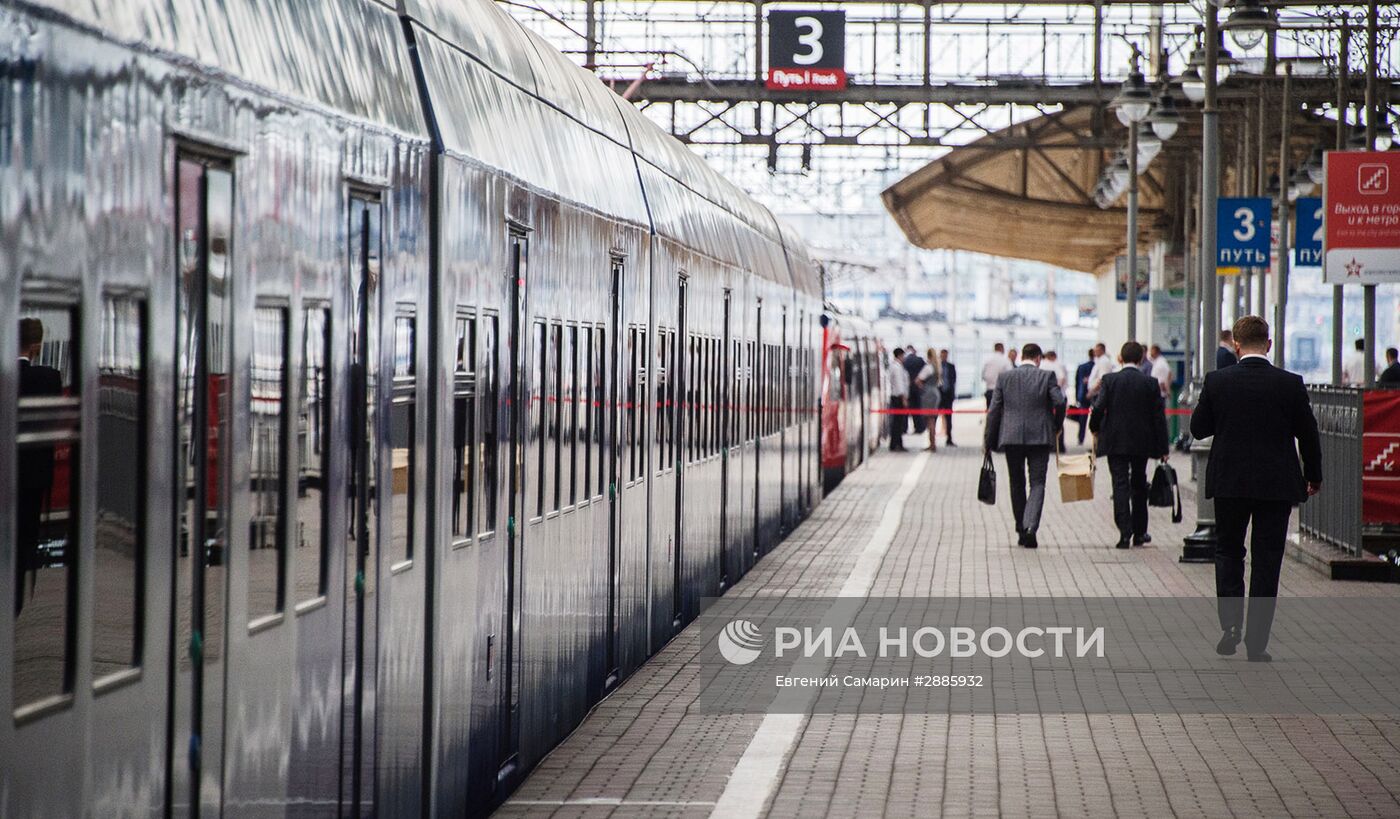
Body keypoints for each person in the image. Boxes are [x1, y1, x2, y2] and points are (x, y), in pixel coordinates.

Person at [1190, 315, 1322, 662]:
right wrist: (1314, 475)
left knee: (1229, 551)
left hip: (1229, 482)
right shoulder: (1290, 383)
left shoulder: (1218, 381)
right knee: (1267, 560)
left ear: (1236, 344)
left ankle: (1230, 625)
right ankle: (1257, 642)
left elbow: (1199, 429)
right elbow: (1307, 434)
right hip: (1276, 484)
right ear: (1269, 343)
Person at [984, 343, 1066, 549]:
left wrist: (988, 440)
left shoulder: (1006, 377)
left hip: (1011, 437)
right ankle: (1031, 528)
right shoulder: (1047, 376)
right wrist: (1056, 426)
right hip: (1040, 436)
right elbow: (1060, 402)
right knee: (1037, 483)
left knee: (1016, 483)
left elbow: (994, 410)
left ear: (1022, 357)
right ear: (1038, 358)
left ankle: (1021, 528)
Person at [1089, 342, 1170, 549]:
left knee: (1120, 484)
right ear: (1142, 359)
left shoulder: (1110, 380)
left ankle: (1124, 532)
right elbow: (1158, 417)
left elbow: (1098, 408)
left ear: (1120, 358)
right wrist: (1163, 448)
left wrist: (1094, 428)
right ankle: (1140, 532)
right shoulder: (1150, 383)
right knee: (1139, 484)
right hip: (1142, 443)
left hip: (1115, 441)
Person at [17, 318, 62, 615]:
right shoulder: (49, 378)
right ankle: (15, 603)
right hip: (33, 476)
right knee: (25, 538)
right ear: (36, 347)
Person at [1040, 351, 1069, 452]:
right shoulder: (1056, 364)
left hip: (1044, 398)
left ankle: (1048, 444)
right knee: (1058, 421)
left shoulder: (1042, 365)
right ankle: (1059, 445)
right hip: (1058, 396)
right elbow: (1062, 378)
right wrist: (1056, 390)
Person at [915, 348, 943, 452]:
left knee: (929, 420)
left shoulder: (928, 367)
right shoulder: (937, 367)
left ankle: (932, 444)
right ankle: (933, 443)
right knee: (933, 419)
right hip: (935, 392)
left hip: (928, 394)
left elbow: (918, 380)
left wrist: (923, 387)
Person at [888, 348, 910, 451]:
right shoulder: (896, 368)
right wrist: (903, 398)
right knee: (898, 423)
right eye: (903, 355)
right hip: (898, 398)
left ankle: (896, 443)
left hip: (897, 397)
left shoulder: (896, 366)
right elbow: (899, 383)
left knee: (898, 422)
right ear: (900, 355)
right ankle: (896, 444)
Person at [903, 345, 927, 434]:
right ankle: (919, 428)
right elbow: (925, 373)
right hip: (918, 388)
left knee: (905, 410)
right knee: (918, 409)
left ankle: (904, 428)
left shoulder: (905, 361)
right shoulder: (920, 360)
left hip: (908, 388)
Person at [980, 342, 1012, 407]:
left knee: (990, 413)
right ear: (1002, 349)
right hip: (1001, 392)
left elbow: (983, 376)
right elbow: (1011, 376)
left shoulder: (987, 361)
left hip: (989, 391)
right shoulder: (1006, 361)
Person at [1074, 348, 1095, 445]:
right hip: (1095, 394)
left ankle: (1080, 437)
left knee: (1082, 418)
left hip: (1083, 395)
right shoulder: (1096, 366)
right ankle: (1095, 438)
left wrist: (1077, 397)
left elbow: (1077, 383)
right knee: (1096, 416)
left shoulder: (1082, 367)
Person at [938, 349, 957, 446]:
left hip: (948, 395)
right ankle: (932, 439)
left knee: (949, 418)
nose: (944, 357)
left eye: (945, 355)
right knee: (934, 416)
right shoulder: (937, 366)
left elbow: (953, 380)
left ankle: (949, 438)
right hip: (939, 395)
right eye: (942, 355)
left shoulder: (951, 366)